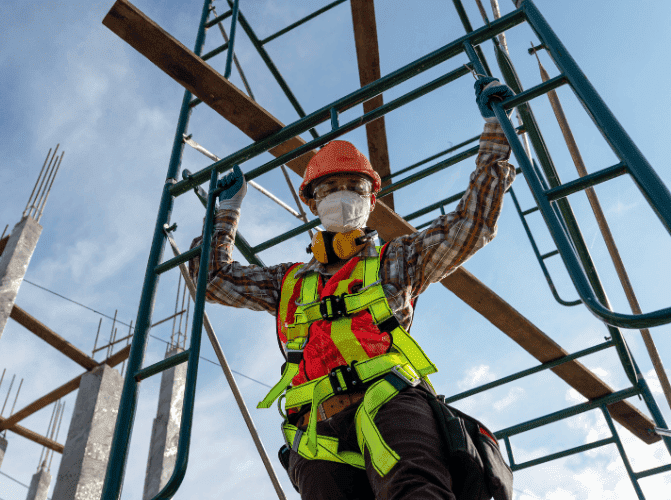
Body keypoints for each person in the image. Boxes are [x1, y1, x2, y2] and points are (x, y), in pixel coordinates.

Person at [189, 76, 516, 499]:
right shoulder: (287, 282)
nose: (341, 196)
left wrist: (496, 138)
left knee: (416, 493)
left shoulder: (398, 261)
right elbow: (213, 280)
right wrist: (225, 212)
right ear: (312, 202)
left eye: (353, 187)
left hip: (391, 401)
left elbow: (470, 226)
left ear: (371, 200)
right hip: (315, 427)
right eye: (329, 188)